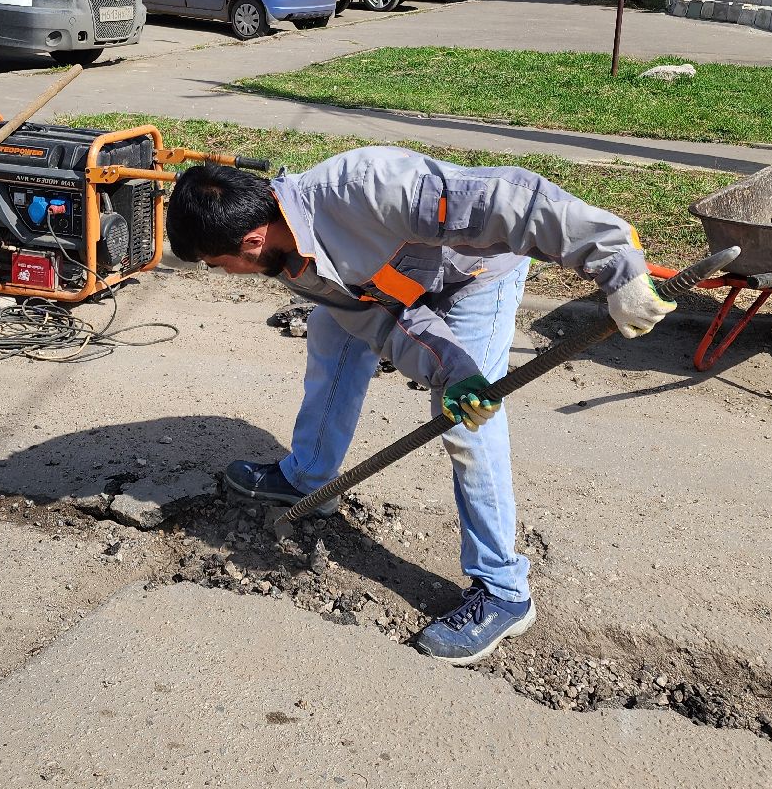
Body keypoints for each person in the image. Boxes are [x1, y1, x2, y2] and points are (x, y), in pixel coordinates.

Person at [166, 146, 673, 664]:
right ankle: (309, 479)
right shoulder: (285, 255)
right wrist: (447, 367)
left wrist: (617, 263)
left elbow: (509, 199)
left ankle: (504, 591)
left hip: (477, 275)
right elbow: (377, 319)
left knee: (467, 424)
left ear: (251, 239)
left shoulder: (370, 189)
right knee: (332, 333)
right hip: (401, 284)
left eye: (218, 264)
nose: (226, 274)